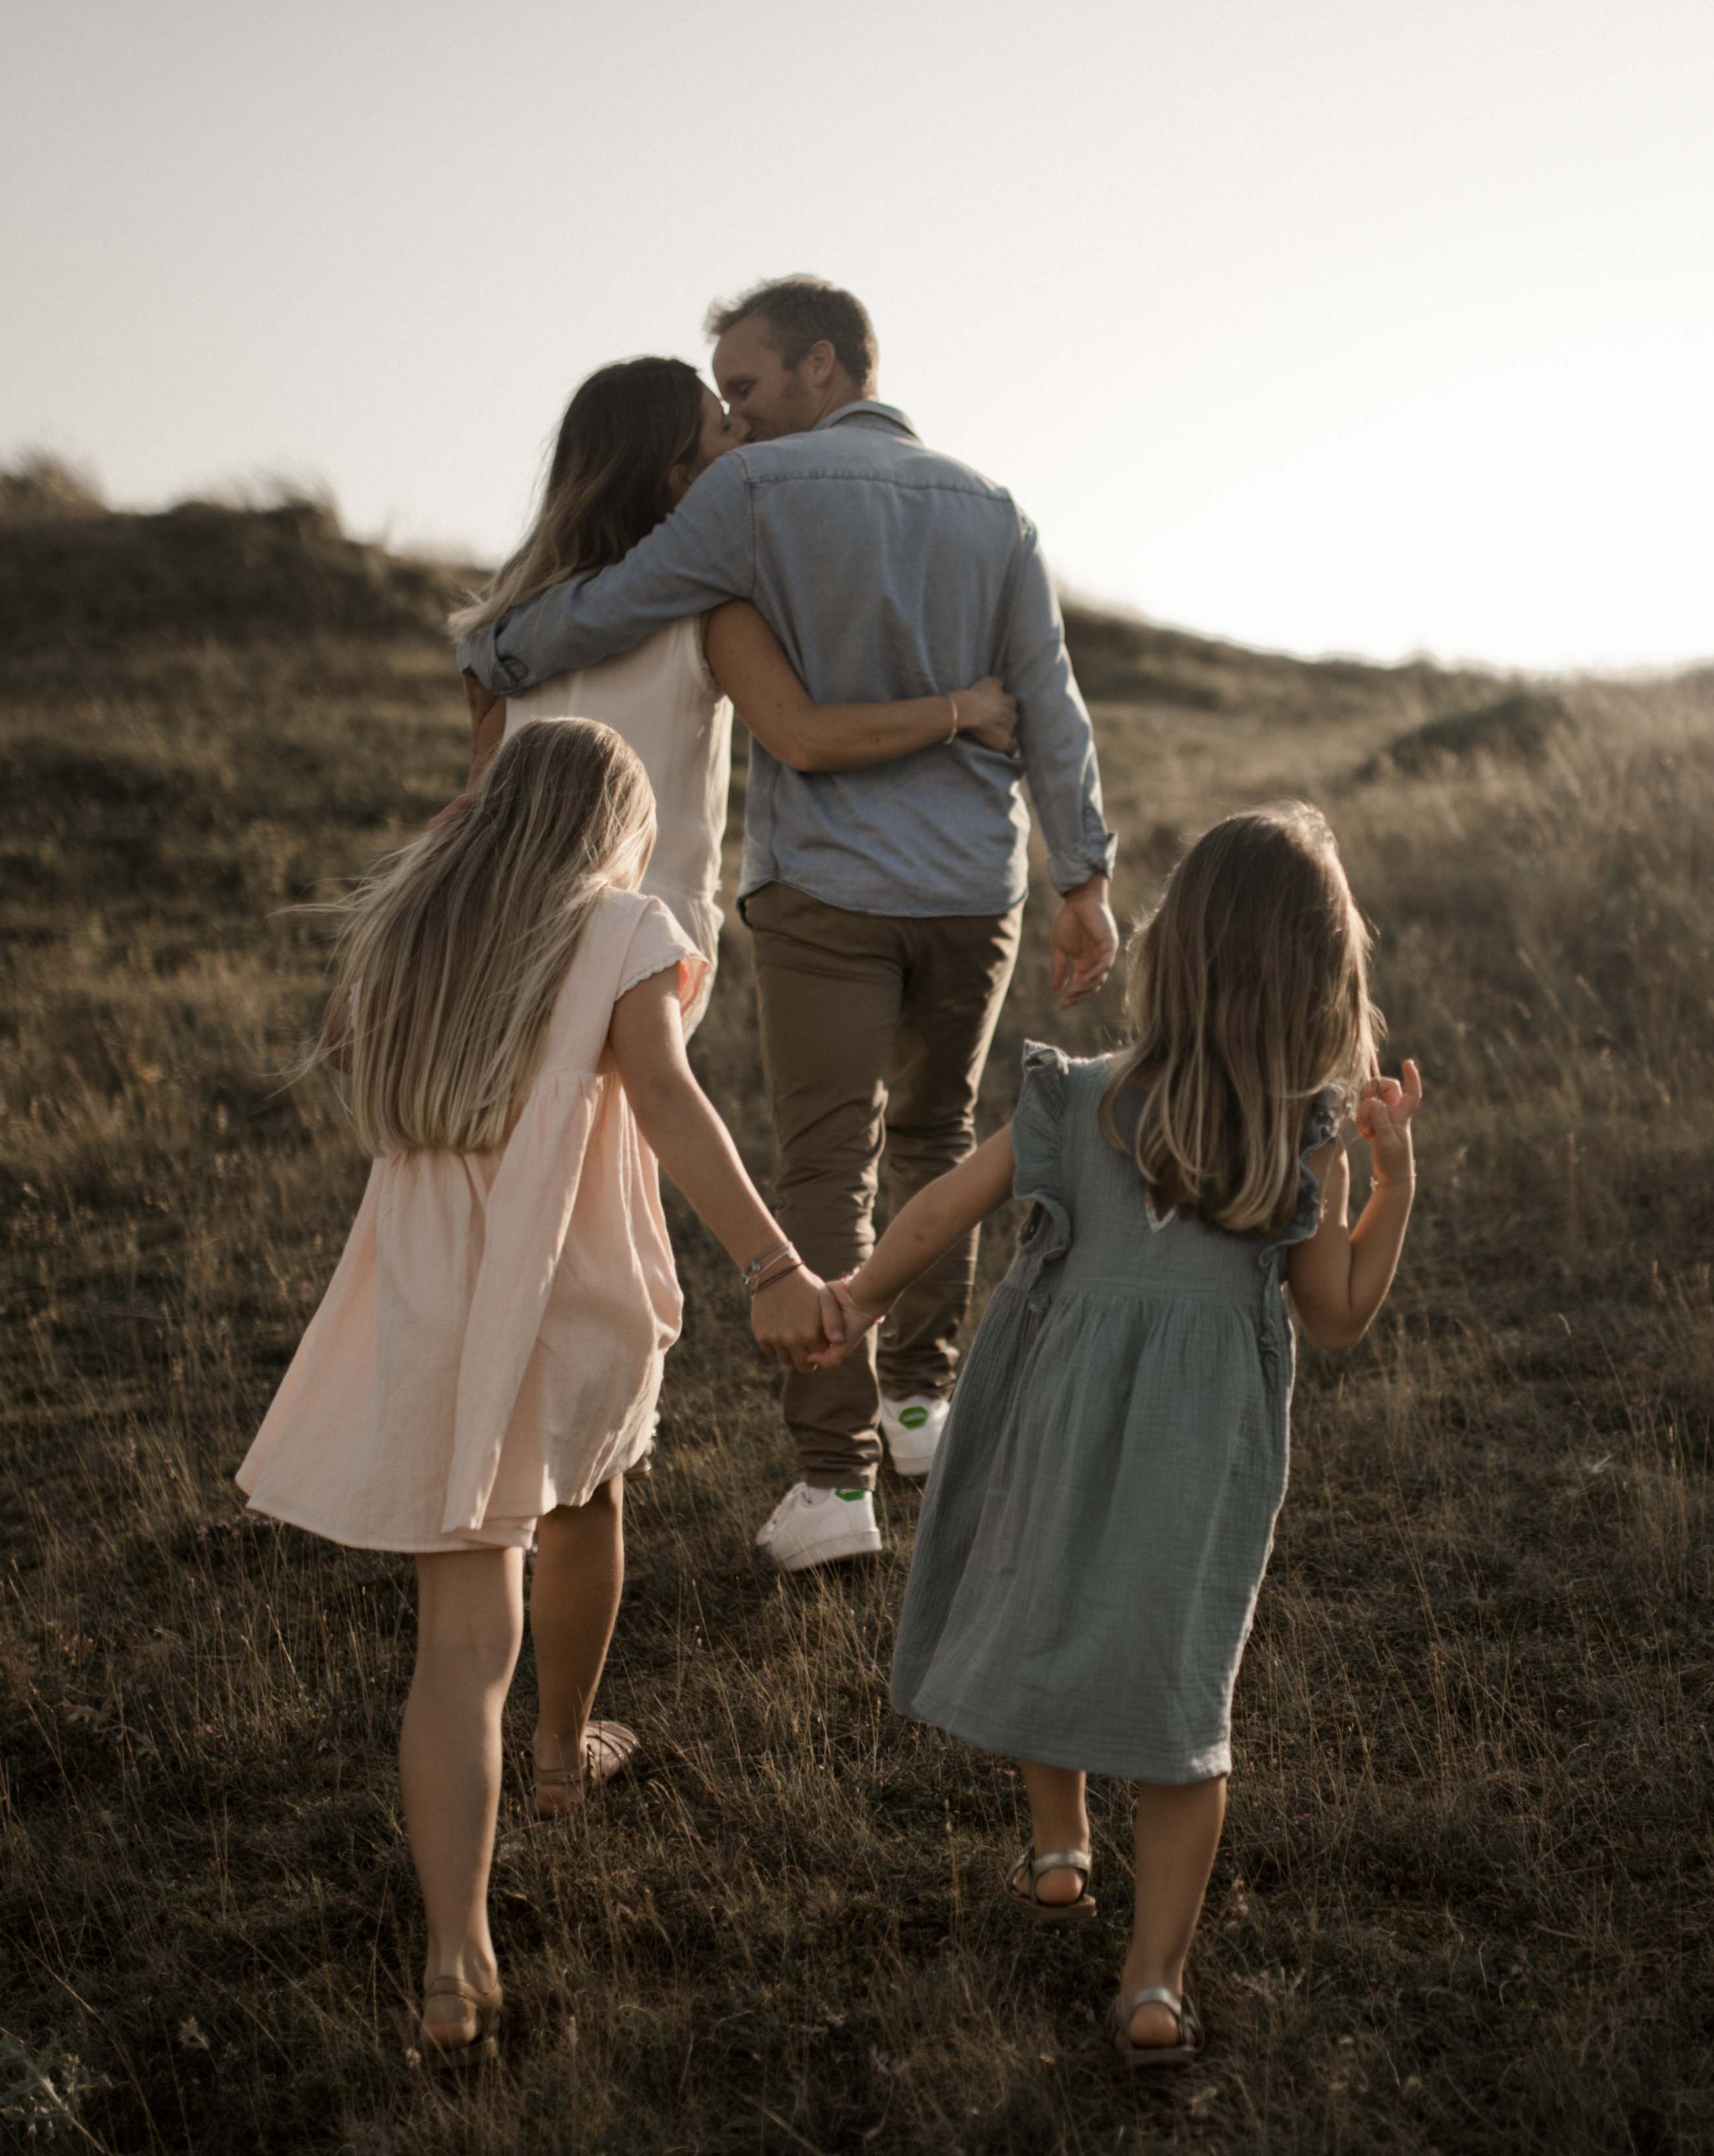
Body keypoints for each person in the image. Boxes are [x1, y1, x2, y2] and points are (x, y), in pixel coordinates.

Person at [460, 276, 1121, 1574]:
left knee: (828, 1158)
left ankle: (833, 1483)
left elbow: (603, 609)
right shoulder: (994, 509)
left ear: (820, 366)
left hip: (825, 888)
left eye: (747, 387)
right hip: (971, 885)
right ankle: (919, 1407)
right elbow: (1051, 699)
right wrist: (1082, 875)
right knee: (937, 1133)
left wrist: (498, 651)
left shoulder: (746, 495)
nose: (736, 416)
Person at [233, 720, 843, 2068]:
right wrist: (773, 1258)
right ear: (611, 829)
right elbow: (672, 1100)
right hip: (563, 1282)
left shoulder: (416, 922)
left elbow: (346, 1055)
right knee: (589, 1495)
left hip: (430, 1284)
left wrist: (444, 860)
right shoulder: (623, 923)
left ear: (489, 813)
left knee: (459, 1642)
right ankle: (563, 1753)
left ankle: (454, 1957)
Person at [815, 805, 1424, 2068]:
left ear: (1175, 955)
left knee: (1046, 1607)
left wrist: (856, 1301)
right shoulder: (1296, 1141)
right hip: (1197, 1464)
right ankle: (1151, 1981)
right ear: (1321, 985)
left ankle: (1055, 1846)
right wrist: (1391, 1184)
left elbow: (940, 1208)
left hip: (1055, 1415)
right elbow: (1339, 1317)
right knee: (1175, 1695)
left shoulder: (1081, 1099)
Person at [446, 354, 1026, 1029]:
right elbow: (804, 738)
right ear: (682, 481)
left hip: (507, 920)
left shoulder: (507, 631)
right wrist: (963, 709)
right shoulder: (709, 615)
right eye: (723, 427)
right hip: (643, 929)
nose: (744, 435)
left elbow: (477, 801)